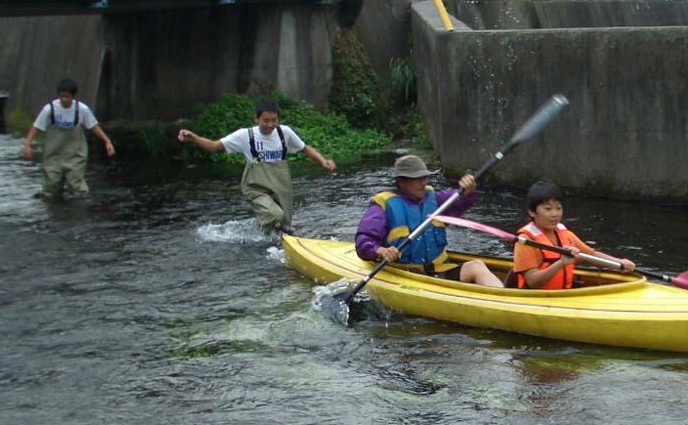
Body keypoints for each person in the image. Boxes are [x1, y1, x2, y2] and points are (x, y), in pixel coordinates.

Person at [177, 97, 336, 234]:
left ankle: (269, 238)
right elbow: (213, 146)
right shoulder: (245, 136)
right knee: (275, 216)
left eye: (274, 121)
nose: (270, 125)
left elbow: (304, 148)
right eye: (265, 121)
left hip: (280, 185)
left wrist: (323, 161)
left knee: (285, 224)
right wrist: (193, 138)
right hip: (256, 186)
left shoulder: (284, 132)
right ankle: (267, 230)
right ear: (256, 118)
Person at [355, 154, 503, 287]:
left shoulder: (435, 200)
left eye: (424, 177)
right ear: (400, 181)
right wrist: (382, 251)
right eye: (416, 179)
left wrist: (468, 190)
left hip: (438, 270)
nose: (423, 183)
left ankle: (501, 301)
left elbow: (461, 200)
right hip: (406, 274)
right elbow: (363, 242)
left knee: (477, 266)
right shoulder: (382, 206)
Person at [510, 180, 635, 289]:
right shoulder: (526, 240)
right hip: (536, 300)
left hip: (564, 296)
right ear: (532, 212)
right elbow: (532, 282)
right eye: (548, 209)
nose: (555, 214)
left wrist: (619, 263)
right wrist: (561, 263)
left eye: (558, 208)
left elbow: (591, 255)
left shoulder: (564, 232)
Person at [21, 78, 115, 198]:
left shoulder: (82, 109)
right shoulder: (49, 109)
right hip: (53, 156)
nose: (64, 100)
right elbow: (36, 127)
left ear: (73, 96)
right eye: (61, 96)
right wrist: (27, 145)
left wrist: (107, 141)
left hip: (75, 156)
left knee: (78, 188)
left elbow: (93, 126)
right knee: (50, 189)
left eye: (67, 96)